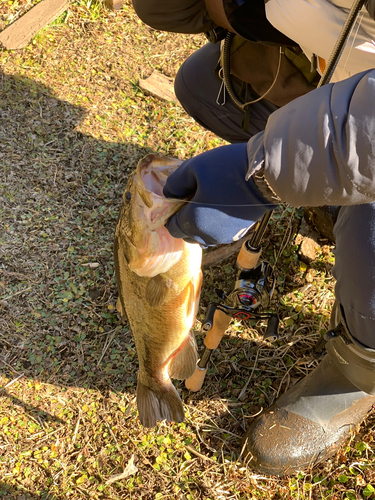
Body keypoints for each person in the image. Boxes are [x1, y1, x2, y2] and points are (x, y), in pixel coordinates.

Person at [132, 0, 375, 475]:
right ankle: (333, 201)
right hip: (346, 70)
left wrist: (264, 172)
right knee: (208, 84)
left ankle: (357, 371)